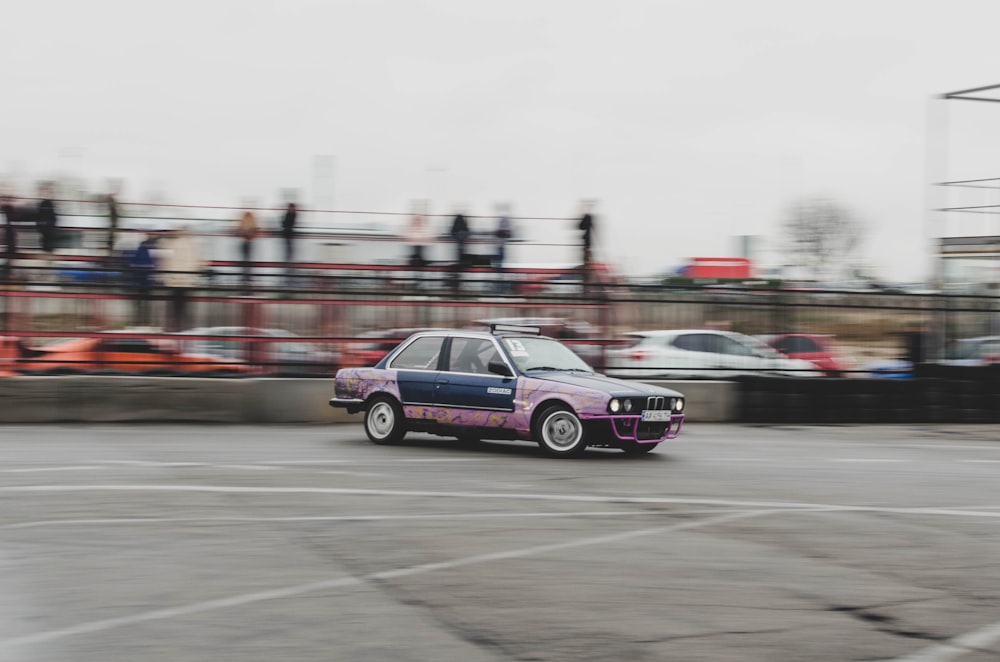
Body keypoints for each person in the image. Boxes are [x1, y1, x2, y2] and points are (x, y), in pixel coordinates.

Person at [159, 224, 205, 331]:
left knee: (174, 307)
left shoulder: (170, 244)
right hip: (186, 280)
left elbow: (166, 262)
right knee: (185, 308)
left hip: (174, 280)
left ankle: (173, 329)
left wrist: (164, 277)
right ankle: (185, 330)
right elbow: (197, 263)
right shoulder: (193, 244)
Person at [127, 229, 159, 326]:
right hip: (146, 277)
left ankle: (140, 320)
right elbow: (155, 261)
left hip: (141, 276)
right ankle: (144, 321)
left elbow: (135, 260)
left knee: (140, 300)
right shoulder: (153, 247)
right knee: (145, 300)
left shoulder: (142, 246)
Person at [404, 200, 432, 284]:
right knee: (419, 263)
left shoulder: (414, 224)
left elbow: (410, 234)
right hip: (419, 244)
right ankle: (418, 281)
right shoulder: (420, 224)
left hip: (417, 244)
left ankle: (417, 281)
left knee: (417, 263)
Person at [492, 203, 513, 292]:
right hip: (501, 246)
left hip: (500, 246)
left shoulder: (502, 221)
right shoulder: (505, 221)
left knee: (499, 265)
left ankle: (499, 286)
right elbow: (507, 234)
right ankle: (500, 286)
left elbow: (505, 234)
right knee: (500, 264)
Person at [237, 208, 259, 289]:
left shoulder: (243, 222)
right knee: (248, 262)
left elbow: (240, 231)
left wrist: (245, 234)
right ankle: (248, 279)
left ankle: (245, 279)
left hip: (245, 243)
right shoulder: (252, 222)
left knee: (245, 261)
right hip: (249, 243)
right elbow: (255, 232)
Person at [449, 206, 469, 292]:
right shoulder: (464, 226)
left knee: (457, 266)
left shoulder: (456, 225)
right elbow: (468, 232)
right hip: (463, 252)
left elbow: (452, 232)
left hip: (456, 251)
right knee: (462, 264)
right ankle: (460, 285)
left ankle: (456, 286)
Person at [577, 200, 596, 292]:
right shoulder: (590, 218)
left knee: (587, 267)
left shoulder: (588, 218)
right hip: (588, 245)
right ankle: (587, 288)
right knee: (588, 266)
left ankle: (586, 288)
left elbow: (580, 226)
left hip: (587, 246)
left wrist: (584, 217)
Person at [1, 196, 20, 281]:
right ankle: (6, 273)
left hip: (10, 246)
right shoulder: (10, 225)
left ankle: (6, 272)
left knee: (9, 258)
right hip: (10, 246)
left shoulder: (8, 224)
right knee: (9, 258)